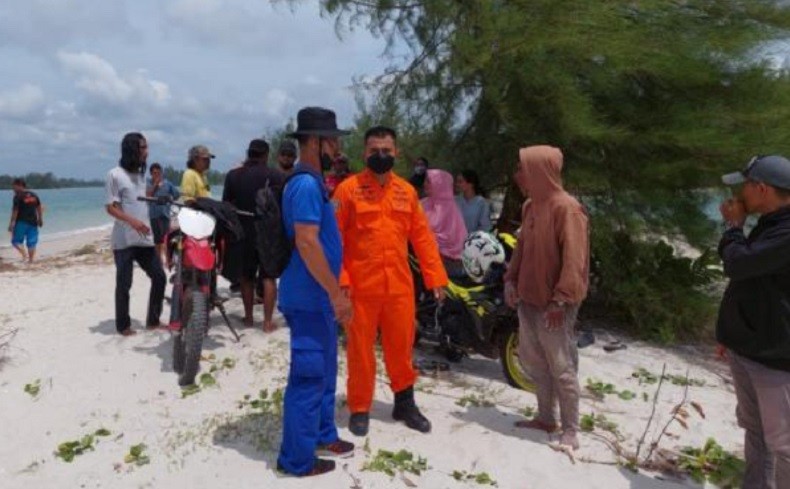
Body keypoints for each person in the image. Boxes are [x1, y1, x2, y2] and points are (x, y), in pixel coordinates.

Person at [334, 126, 448, 437]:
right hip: (360, 288)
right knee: (360, 350)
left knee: (402, 346)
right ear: (364, 153)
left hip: (399, 286)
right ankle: (360, 406)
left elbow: (422, 238)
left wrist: (435, 277)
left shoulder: (407, 192)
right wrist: (341, 281)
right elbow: (334, 240)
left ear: (396, 152)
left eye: (386, 150)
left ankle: (405, 403)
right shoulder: (347, 190)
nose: (381, 156)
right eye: (374, 151)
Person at [276, 107, 354, 477]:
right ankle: (295, 460)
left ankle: (323, 434)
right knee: (308, 376)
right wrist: (336, 294)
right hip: (308, 298)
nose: (337, 148)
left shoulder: (314, 183)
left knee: (324, 369)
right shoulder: (306, 185)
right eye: (332, 141)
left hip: (319, 296)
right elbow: (307, 243)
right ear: (314, 142)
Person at [504, 145, 589, 451]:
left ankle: (571, 429)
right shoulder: (530, 206)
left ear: (540, 171)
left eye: (523, 169)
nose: (518, 175)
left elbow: (575, 260)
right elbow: (521, 248)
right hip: (529, 298)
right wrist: (511, 280)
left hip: (555, 304)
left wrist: (560, 300)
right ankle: (545, 418)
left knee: (561, 366)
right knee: (535, 361)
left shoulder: (568, 208)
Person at [718, 155, 790, 488]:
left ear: (762, 189)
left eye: (745, 185)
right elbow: (750, 282)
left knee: (783, 444)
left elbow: (738, 264)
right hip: (749, 346)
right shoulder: (771, 222)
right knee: (754, 429)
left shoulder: (785, 232)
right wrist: (730, 334)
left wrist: (733, 227)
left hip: (775, 357)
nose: (739, 193)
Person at [105, 133, 166, 336]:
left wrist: (155, 192)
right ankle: (123, 326)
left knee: (159, 276)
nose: (147, 152)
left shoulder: (140, 176)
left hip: (144, 238)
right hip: (124, 240)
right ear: (132, 149)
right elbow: (111, 208)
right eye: (143, 147)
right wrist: (133, 222)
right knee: (124, 284)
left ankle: (153, 321)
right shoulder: (114, 175)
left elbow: (138, 199)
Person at [222, 139, 284, 332]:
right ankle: (267, 322)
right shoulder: (276, 175)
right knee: (268, 277)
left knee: (246, 277)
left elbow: (226, 205)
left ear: (248, 153)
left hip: (243, 231)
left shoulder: (233, 176)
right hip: (268, 232)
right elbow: (282, 206)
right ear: (266, 155)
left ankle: (248, 318)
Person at [421, 169, 468, 278]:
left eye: (429, 181)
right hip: (421, 259)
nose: (425, 184)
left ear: (439, 184)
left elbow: (452, 238)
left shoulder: (451, 210)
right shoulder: (422, 204)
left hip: (449, 262)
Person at [146, 163, 180, 265]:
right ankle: (159, 261)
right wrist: (155, 185)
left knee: (165, 239)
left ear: (161, 173)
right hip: (153, 215)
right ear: (151, 174)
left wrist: (170, 198)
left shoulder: (167, 184)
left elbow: (176, 195)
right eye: (154, 173)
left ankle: (168, 261)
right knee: (157, 240)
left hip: (165, 215)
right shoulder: (148, 183)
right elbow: (147, 195)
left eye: (158, 173)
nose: (156, 175)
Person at [8, 178, 43, 263]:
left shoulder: (17, 196)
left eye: (14, 187)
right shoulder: (34, 195)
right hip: (33, 222)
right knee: (32, 242)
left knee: (15, 241)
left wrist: (12, 223)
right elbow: (39, 207)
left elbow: (15, 211)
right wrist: (40, 219)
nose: (13, 189)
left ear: (20, 186)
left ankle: (24, 255)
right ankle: (31, 260)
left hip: (21, 222)